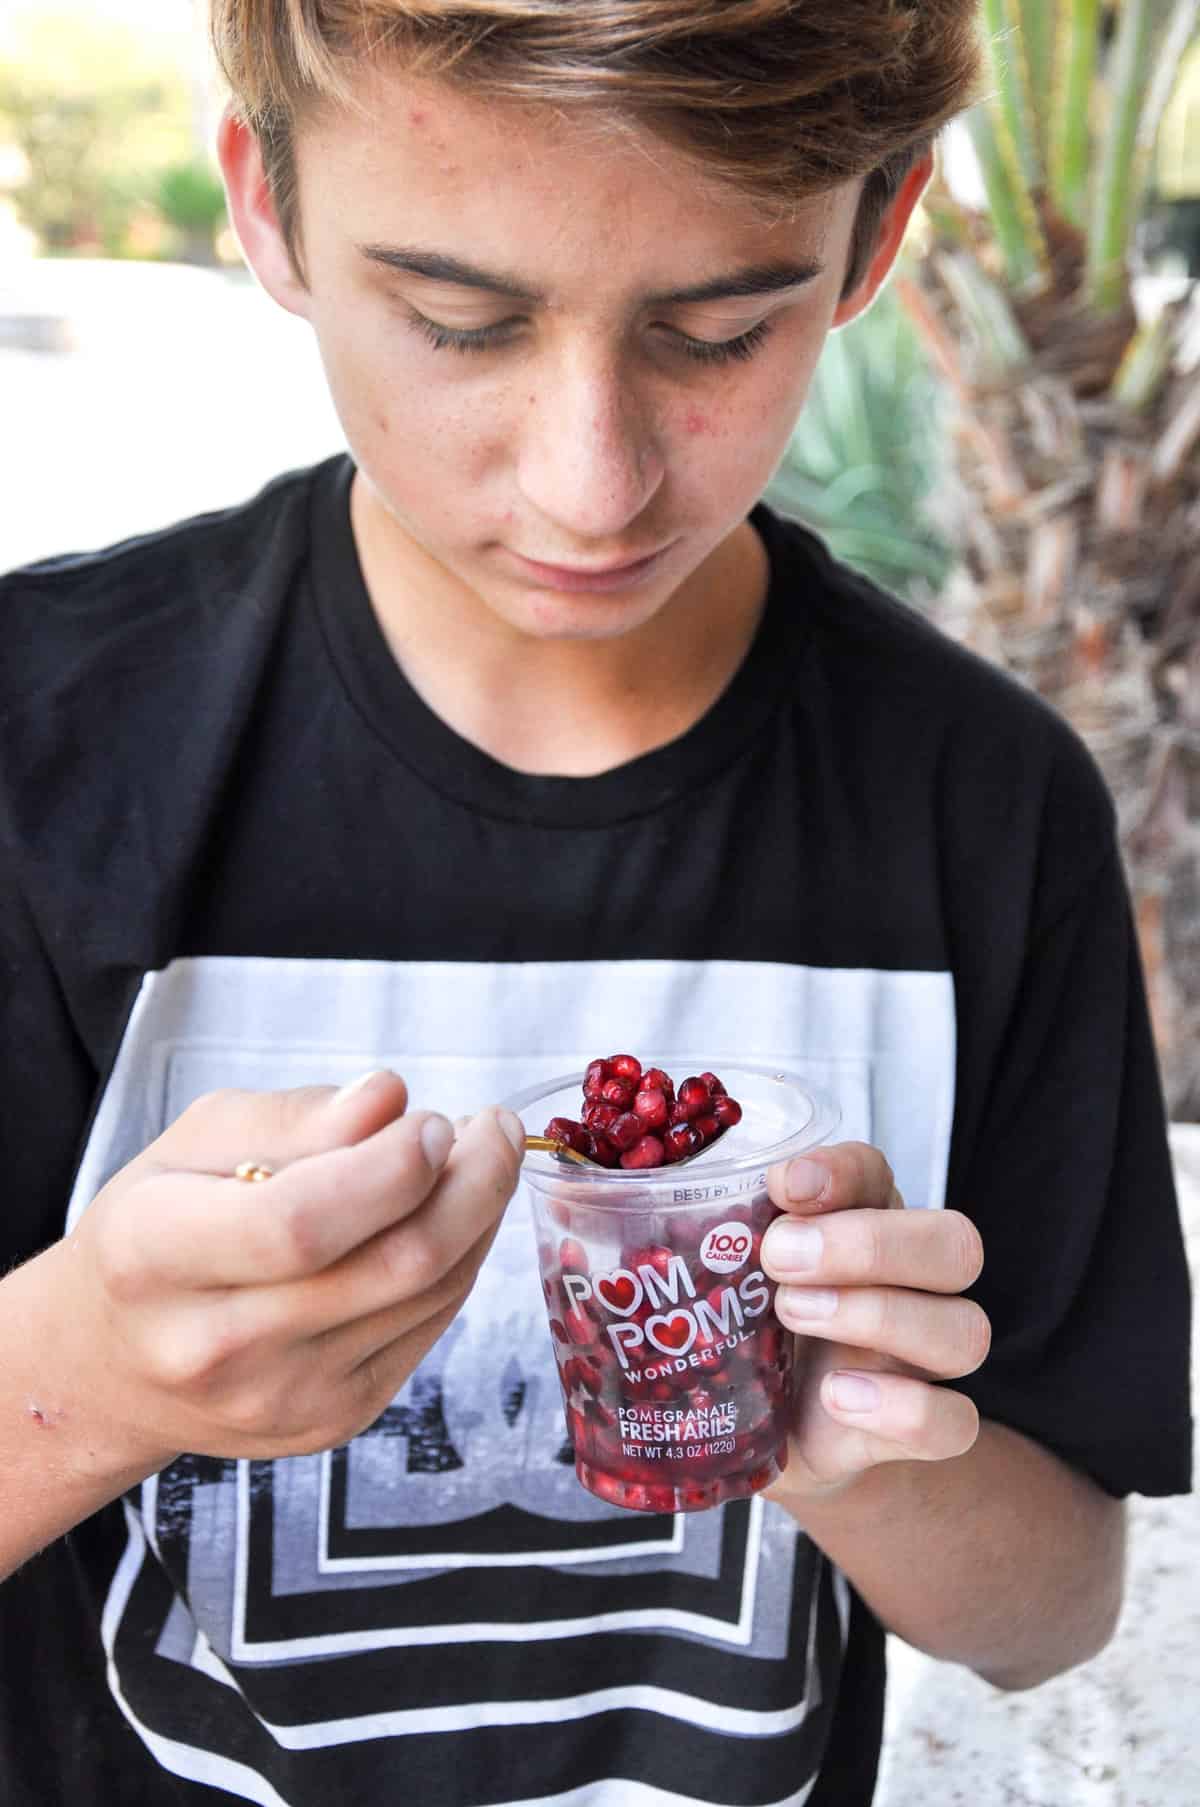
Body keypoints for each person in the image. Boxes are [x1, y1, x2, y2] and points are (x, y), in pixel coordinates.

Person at [0, 2, 1191, 1803]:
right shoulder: (39, 748)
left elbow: (1048, 1613)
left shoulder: (982, 804)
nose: (593, 481)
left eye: (719, 330)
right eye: (460, 323)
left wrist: (851, 1441)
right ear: (269, 209)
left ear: (875, 238)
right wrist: (90, 1377)